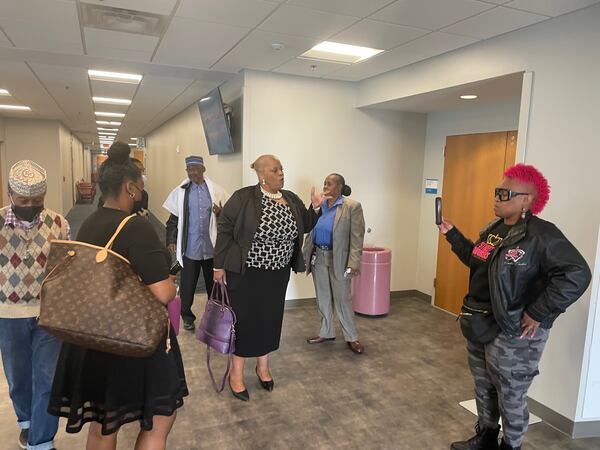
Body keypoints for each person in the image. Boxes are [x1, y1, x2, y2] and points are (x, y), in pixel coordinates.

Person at [441, 164, 591, 450]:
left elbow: (577, 274)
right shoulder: (492, 230)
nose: (496, 198)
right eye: (496, 192)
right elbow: (477, 262)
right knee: (484, 384)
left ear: (527, 199)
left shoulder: (541, 235)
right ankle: (486, 436)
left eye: (504, 193)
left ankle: (511, 446)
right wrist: (453, 236)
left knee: (510, 392)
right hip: (481, 322)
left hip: (514, 330)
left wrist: (538, 311)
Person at [48, 142, 188, 450]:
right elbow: (163, 293)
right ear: (130, 188)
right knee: (161, 418)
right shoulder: (136, 226)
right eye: (140, 186)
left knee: (103, 422)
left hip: (93, 337)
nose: (142, 191)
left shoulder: (90, 222)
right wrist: (171, 282)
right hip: (131, 339)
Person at [213, 154, 323, 401]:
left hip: (277, 275)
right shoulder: (243, 198)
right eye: (275, 170)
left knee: (269, 319)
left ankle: (262, 367)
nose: (281, 173)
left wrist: (315, 208)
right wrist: (218, 266)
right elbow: (225, 229)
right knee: (245, 321)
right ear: (262, 174)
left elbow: (304, 224)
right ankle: (236, 373)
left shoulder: (291, 198)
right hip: (247, 274)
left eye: (282, 168)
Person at [0, 160, 71, 450]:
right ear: (10, 194)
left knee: (48, 377)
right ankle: (26, 423)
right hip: (8, 314)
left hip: (48, 314)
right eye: (23, 200)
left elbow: (68, 266)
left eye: (37, 201)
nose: (30, 205)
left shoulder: (59, 223)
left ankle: (42, 441)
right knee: (18, 377)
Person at [163, 155, 229, 331]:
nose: (192, 172)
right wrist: (171, 239)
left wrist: (220, 213)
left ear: (203, 170)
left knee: (213, 286)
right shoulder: (181, 192)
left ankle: (214, 318)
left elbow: (228, 220)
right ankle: (187, 317)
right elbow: (172, 220)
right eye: (189, 169)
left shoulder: (216, 191)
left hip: (211, 249)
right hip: (190, 248)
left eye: (195, 169)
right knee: (188, 285)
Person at [303, 174, 366, 354]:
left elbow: (357, 237)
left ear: (339, 187)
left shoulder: (351, 207)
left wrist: (353, 262)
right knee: (322, 297)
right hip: (318, 256)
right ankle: (326, 332)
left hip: (339, 258)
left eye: (329, 184)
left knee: (342, 299)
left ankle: (352, 337)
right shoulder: (320, 205)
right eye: (324, 183)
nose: (325, 186)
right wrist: (314, 208)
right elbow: (309, 228)